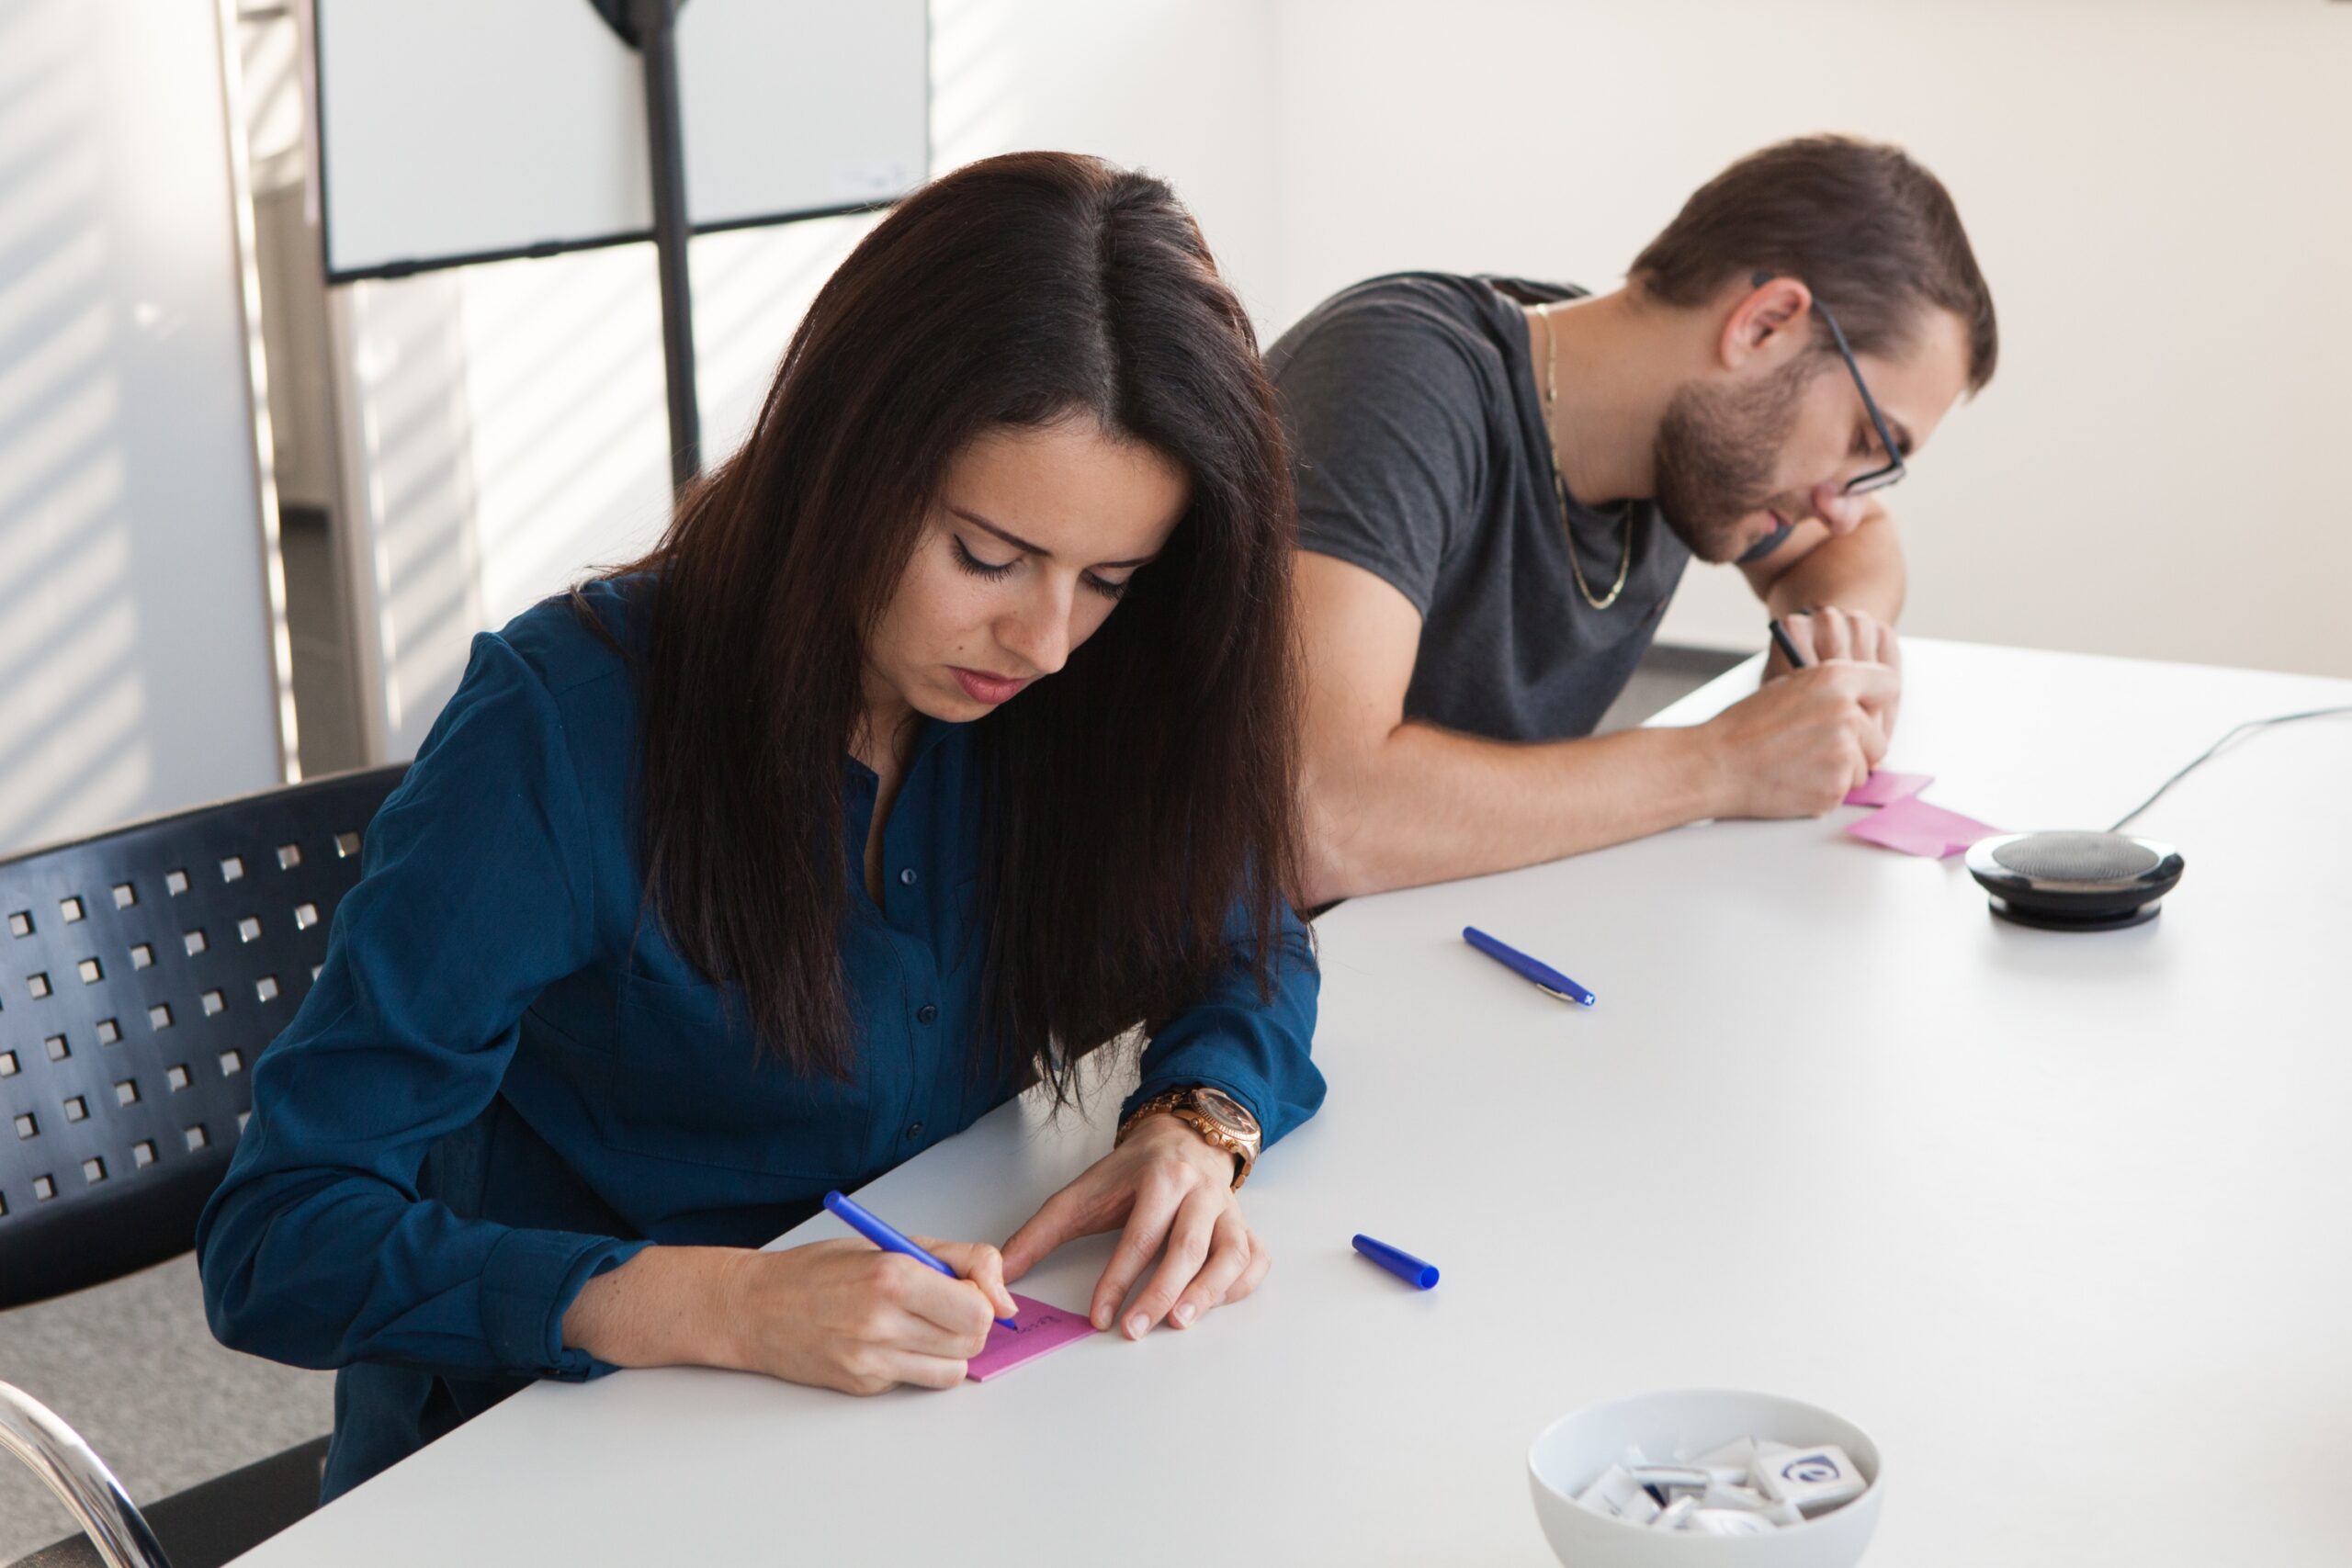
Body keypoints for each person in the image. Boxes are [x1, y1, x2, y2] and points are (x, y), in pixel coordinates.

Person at [198, 151, 1324, 1501]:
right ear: (844, 462)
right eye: (987, 555)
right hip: (552, 1461)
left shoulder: (1073, 690)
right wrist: (720, 1304)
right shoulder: (565, 726)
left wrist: (1196, 1123)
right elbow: (280, 1236)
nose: (1045, 639)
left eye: (1111, 579)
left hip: (904, 1439)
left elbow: (1246, 927)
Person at [1273, 135, 1998, 902]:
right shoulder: (1397, 380)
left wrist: (1828, 638)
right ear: (1764, 325)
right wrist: (1722, 761)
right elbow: (1321, 815)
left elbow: (1860, 548)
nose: (1843, 506)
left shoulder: (1675, 442)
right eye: (1864, 440)